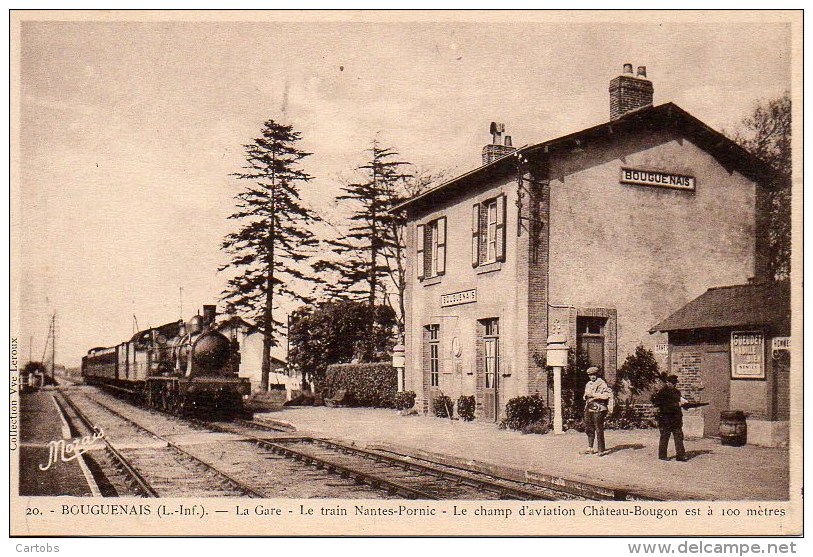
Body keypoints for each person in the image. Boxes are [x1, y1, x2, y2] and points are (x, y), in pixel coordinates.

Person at [651, 374, 688, 461]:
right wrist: (677, 404)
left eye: (675, 383)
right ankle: (662, 455)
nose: (674, 385)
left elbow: (680, 401)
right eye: (672, 383)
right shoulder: (662, 393)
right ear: (667, 382)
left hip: (676, 418)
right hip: (665, 418)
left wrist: (685, 405)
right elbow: (663, 406)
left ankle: (680, 455)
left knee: (679, 436)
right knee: (665, 437)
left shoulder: (677, 392)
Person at [581, 366, 612, 456]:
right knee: (588, 427)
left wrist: (594, 395)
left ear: (597, 374)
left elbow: (606, 395)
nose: (592, 377)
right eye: (590, 375)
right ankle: (590, 447)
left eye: (594, 375)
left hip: (599, 407)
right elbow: (585, 394)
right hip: (589, 407)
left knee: (598, 428)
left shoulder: (602, 383)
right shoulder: (588, 384)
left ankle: (601, 449)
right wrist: (586, 396)